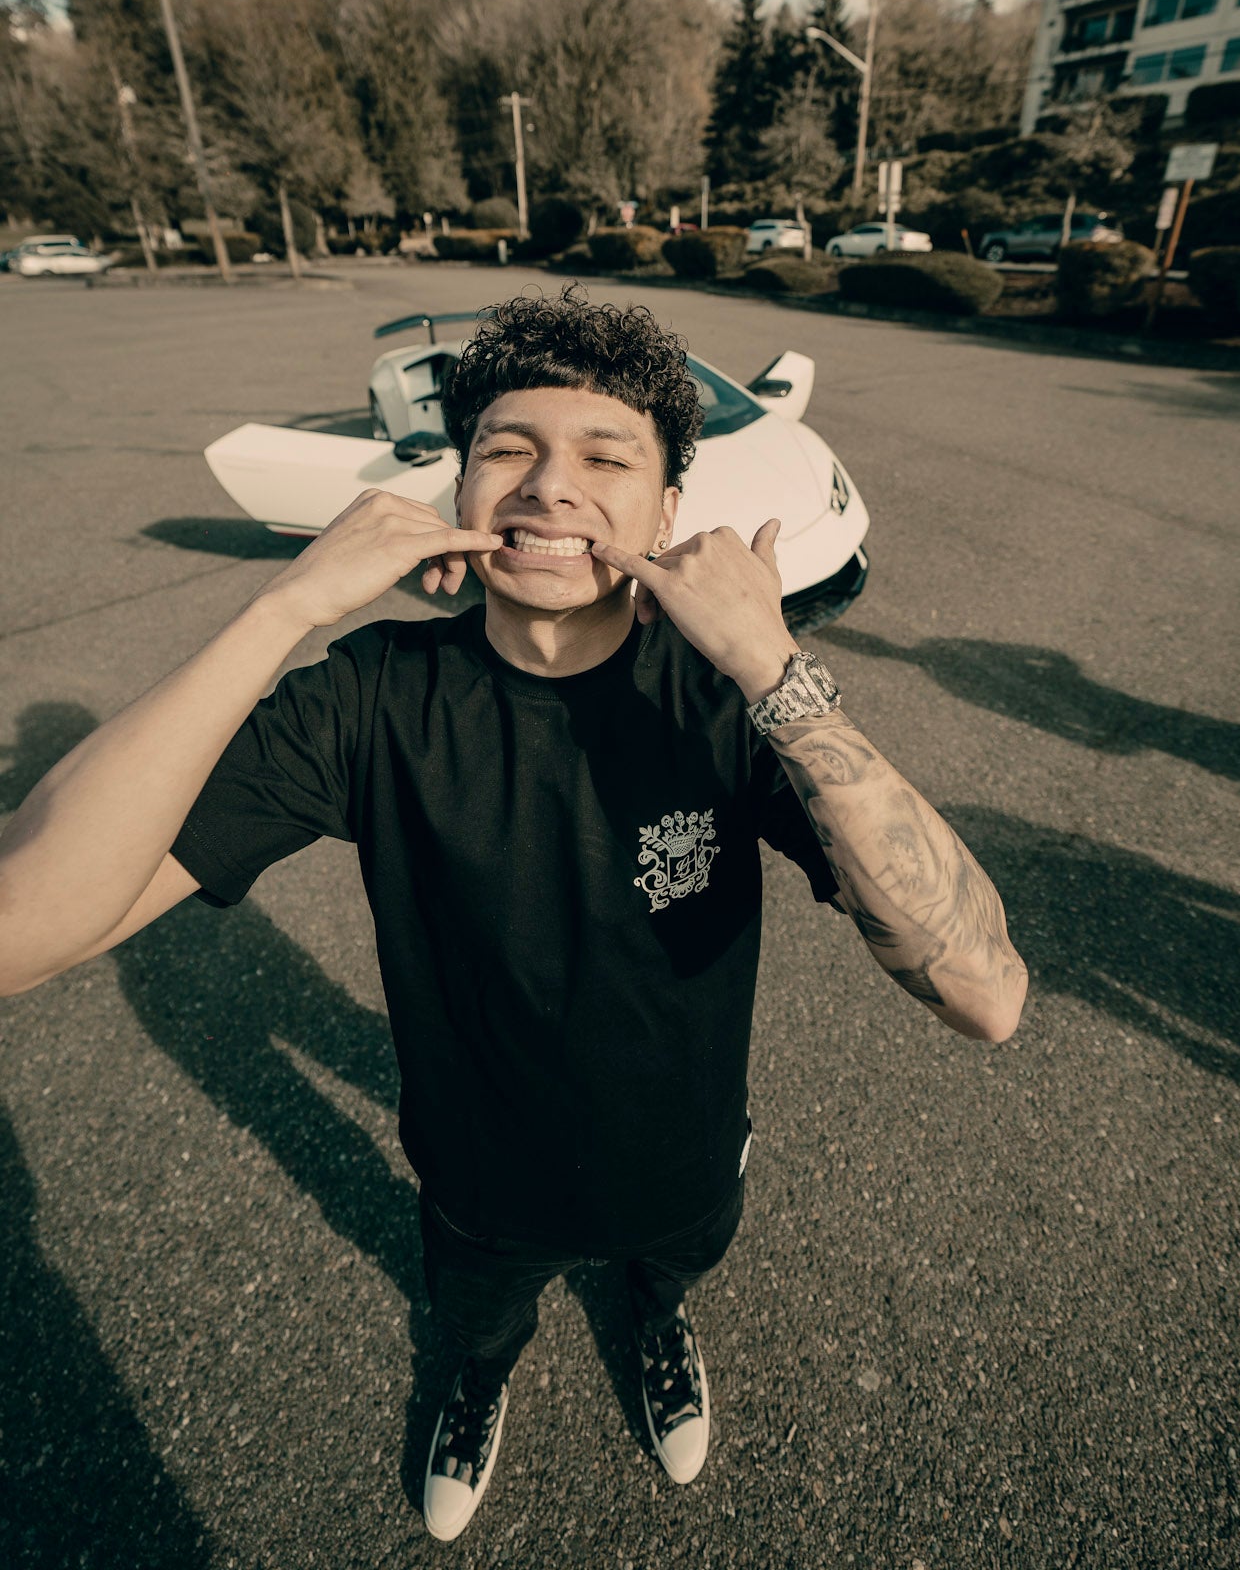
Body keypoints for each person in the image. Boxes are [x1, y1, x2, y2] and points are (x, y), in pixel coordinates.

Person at [0, 289, 1027, 1543]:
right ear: (461, 485)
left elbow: (985, 992)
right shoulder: (372, 694)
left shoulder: (728, 700)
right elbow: (21, 931)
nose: (549, 486)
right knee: (478, 1311)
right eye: (507, 448)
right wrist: (286, 606)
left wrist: (772, 664)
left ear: (668, 513)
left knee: (671, 1271)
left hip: (685, 1156)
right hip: (476, 1171)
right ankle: (478, 1375)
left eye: (606, 458)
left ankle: (658, 1326)